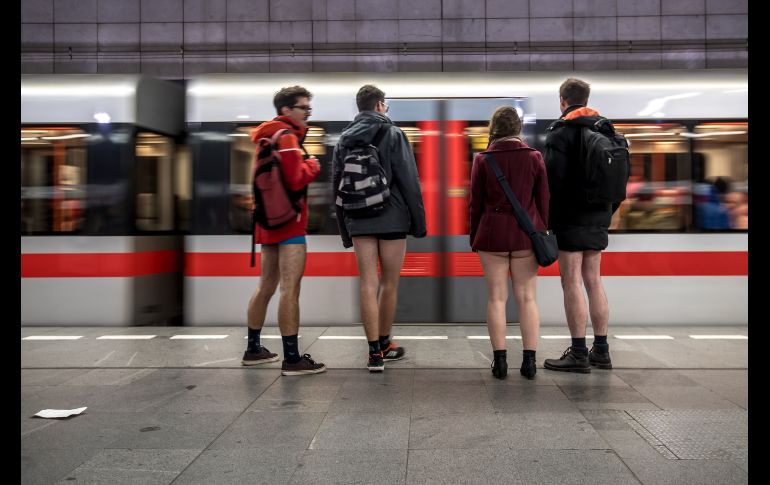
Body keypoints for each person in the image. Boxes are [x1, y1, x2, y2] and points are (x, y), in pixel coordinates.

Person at [332, 85, 426, 372]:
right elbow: (410, 182)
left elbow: (336, 186)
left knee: (367, 283)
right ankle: (385, 343)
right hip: (393, 217)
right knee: (389, 283)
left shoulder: (343, 140)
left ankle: (373, 354)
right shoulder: (394, 134)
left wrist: (345, 230)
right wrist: (418, 224)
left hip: (358, 218)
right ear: (380, 106)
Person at [242, 85, 326, 376]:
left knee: (265, 286)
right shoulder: (288, 137)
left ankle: (253, 349)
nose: (308, 114)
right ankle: (292, 359)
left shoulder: (266, 137)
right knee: (290, 289)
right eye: (304, 108)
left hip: (267, 223)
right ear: (286, 110)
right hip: (289, 223)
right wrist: (313, 165)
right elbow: (295, 178)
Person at [542, 78, 616, 373]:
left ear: (562, 101)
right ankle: (602, 350)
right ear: (586, 99)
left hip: (570, 217)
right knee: (594, 281)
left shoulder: (562, 132)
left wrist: (548, 220)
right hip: (598, 215)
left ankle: (579, 352)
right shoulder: (606, 129)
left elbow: (552, 181)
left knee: (571, 281)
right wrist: (605, 211)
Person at [469, 106, 549, 379]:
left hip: (492, 236)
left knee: (496, 299)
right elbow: (544, 201)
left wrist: (474, 236)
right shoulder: (534, 157)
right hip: (526, 236)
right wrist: (541, 231)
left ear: (495, 128)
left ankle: (500, 363)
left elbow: (475, 204)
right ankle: (529, 363)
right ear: (518, 128)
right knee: (527, 298)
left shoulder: (482, 159)